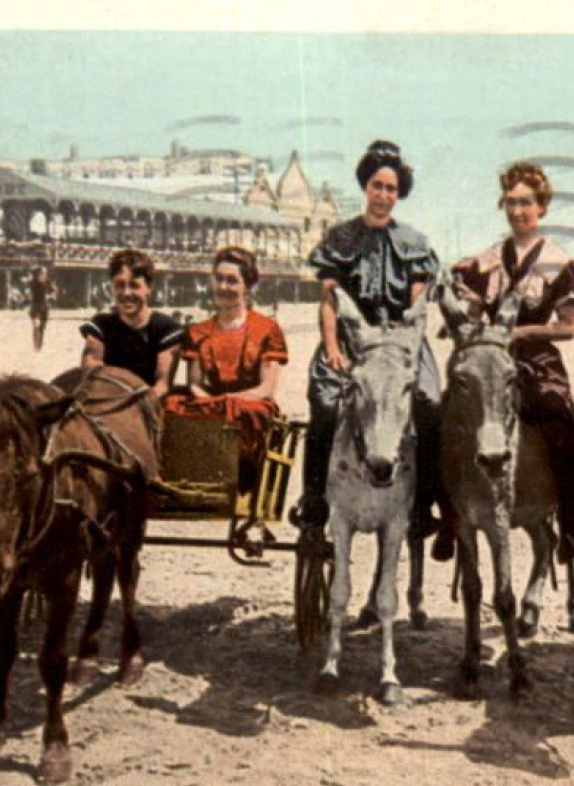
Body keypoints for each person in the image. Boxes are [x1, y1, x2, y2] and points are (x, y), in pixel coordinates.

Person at [296, 140, 448, 554]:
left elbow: (417, 308)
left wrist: (404, 352)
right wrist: (331, 347)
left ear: (399, 194)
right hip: (351, 339)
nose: (383, 196)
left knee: (430, 404)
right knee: (325, 402)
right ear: (366, 186)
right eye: (377, 186)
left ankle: (423, 504)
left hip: (401, 344)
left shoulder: (414, 243)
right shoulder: (341, 238)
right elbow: (329, 300)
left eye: (391, 189)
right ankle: (313, 499)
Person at [450, 161, 574, 563]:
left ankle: (569, 516)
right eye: (510, 203)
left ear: (542, 208)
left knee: (559, 415)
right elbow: (474, 316)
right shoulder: (487, 259)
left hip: (537, 359)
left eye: (525, 203)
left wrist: (522, 334)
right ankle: (448, 515)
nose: (517, 211)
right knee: (449, 413)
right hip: (490, 359)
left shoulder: (558, 262)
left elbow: (569, 327)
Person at [163, 246, 289, 492]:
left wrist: (228, 401)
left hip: (250, 403)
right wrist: (213, 402)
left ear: (248, 286)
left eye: (232, 281)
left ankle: (240, 477)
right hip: (211, 402)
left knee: (246, 412)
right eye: (219, 279)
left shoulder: (266, 329)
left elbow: (266, 388)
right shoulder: (198, 331)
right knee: (171, 405)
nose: (224, 287)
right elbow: (195, 384)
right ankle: (187, 476)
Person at [79, 249, 184, 397]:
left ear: (149, 288)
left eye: (134, 285)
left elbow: (162, 385)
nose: (126, 293)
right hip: (107, 401)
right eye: (120, 285)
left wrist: (130, 408)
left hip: (148, 404)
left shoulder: (166, 329)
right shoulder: (101, 326)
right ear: (111, 287)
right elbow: (91, 368)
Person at [28, 266, 57, 352]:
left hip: (44, 308)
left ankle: (39, 345)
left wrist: (51, 295)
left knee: (42, 328)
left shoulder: (48, 282)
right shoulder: (33, 283)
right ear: (37, 274)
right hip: (35, 307)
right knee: (36, 325)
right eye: (42, 273)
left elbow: (54, 291)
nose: (44, 275)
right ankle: (35, 345)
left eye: (45, 273)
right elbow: (28, 288)